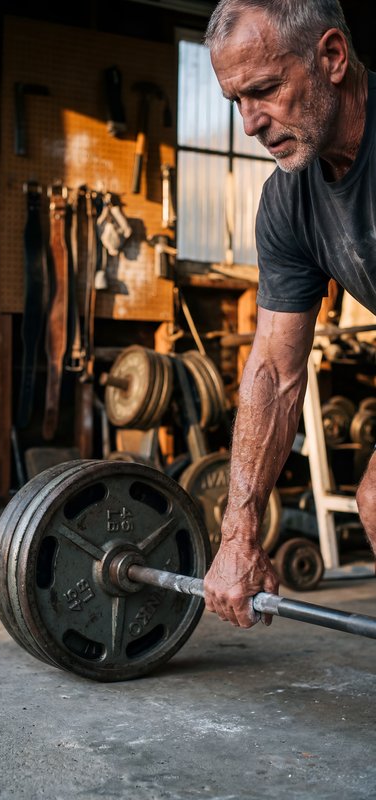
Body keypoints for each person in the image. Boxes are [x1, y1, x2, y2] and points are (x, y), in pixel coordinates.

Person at [202, 0, 376, 628]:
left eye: (266, 90)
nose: (250, 123)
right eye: (235, 102)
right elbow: (274, 371)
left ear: (332, 57)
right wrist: (238, 536)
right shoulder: (288, 201)